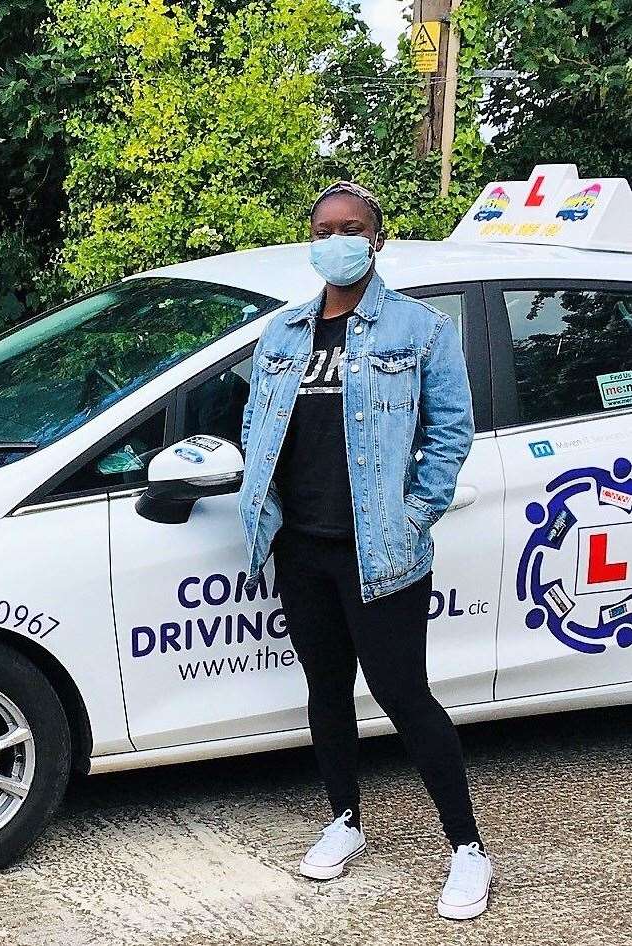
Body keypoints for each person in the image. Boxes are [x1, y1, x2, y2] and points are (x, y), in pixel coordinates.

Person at [238, 181, 492, 919]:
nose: (338, 239)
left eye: (353, 228)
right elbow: (258, 426)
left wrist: (415, 514)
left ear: (375, 242)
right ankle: (345, 820)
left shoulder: (419, 331)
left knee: (403, 696)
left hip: (380, 554)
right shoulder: (281, 335)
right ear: (310, 238)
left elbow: (449, 434)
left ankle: (467, 849)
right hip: (302, 548)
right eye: (325, 227)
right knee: (325, 692)